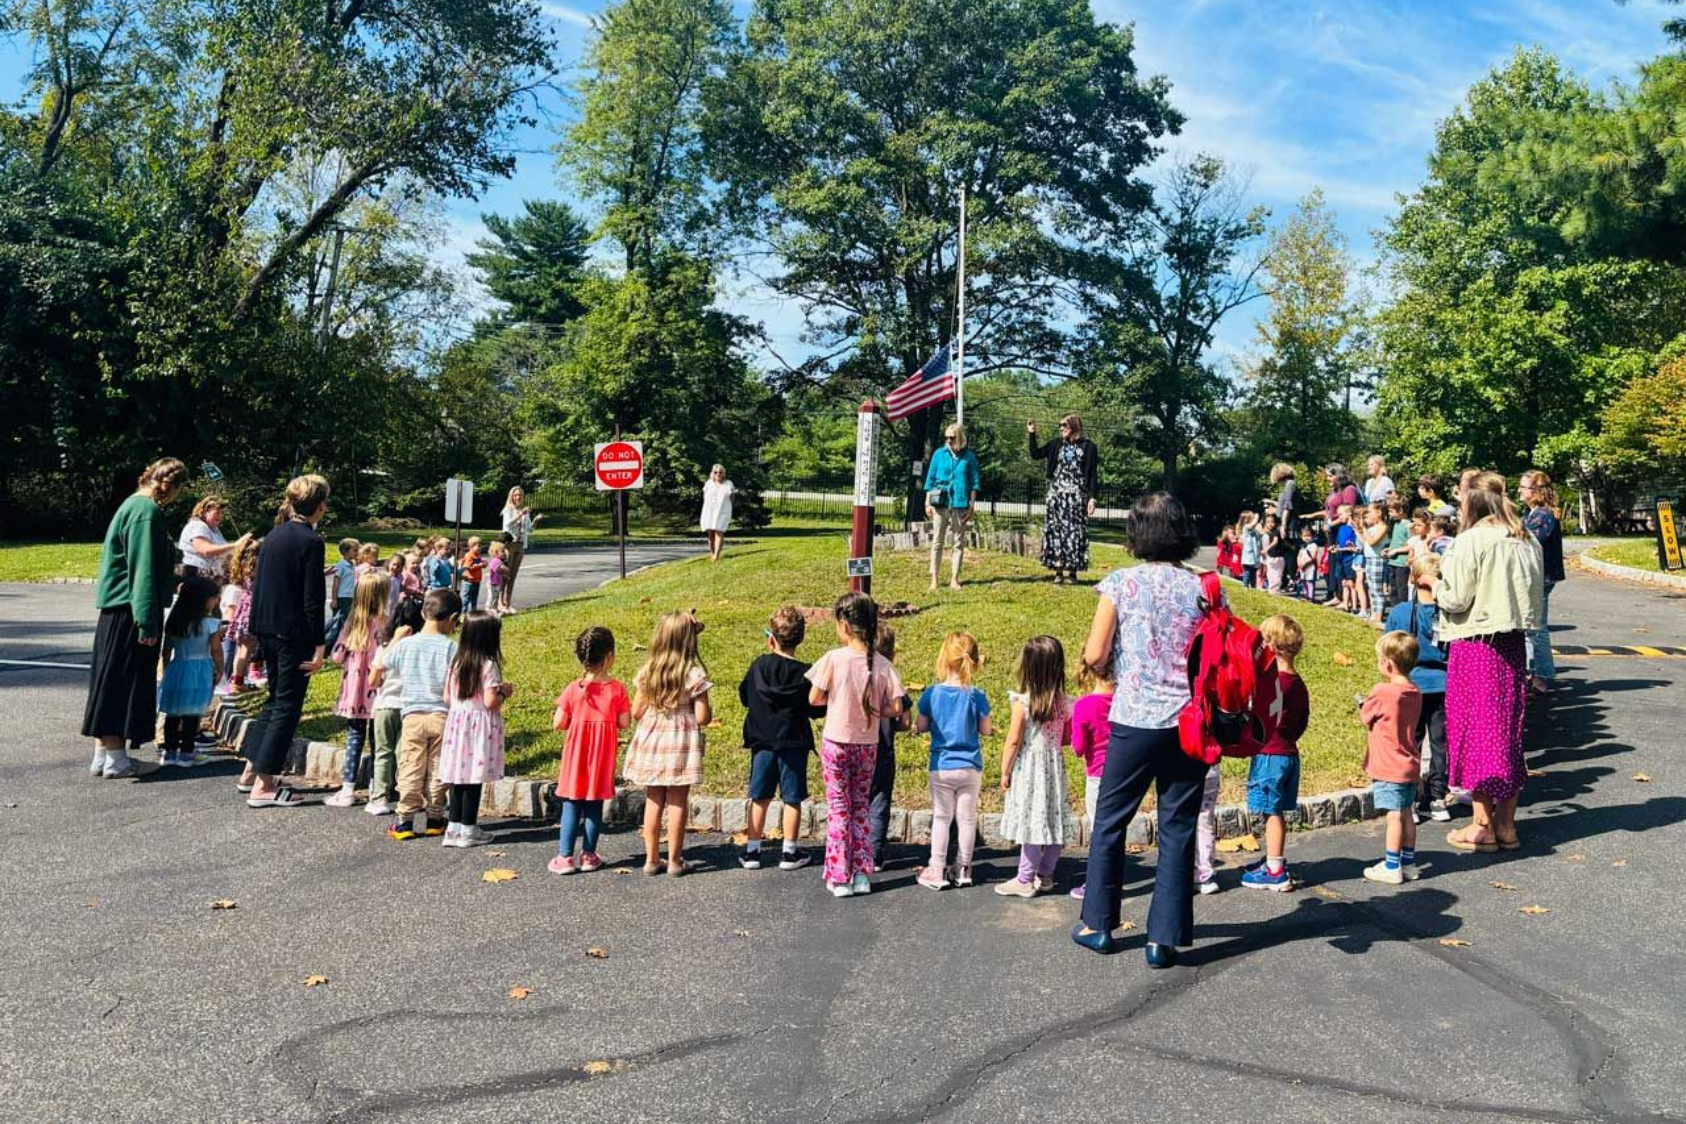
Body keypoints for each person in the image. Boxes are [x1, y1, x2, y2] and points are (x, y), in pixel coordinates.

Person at [1073, 492, 1210, 969]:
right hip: (1190, 722)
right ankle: (1163, 938)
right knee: (1177, 826)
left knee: (1111, 821)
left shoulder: (1121, 584)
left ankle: (1099, 924)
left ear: (1137, 532)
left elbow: (1093, 654)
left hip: (1133, 718)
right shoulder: (1205, 589)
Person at [1435, 472, 1543, 853]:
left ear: (1473, 502)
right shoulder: (1525, 538)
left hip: (1476, 641)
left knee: (1478, 732)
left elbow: (1456, 598)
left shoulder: (1471, 540)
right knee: (1509, 732)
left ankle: (1482, 825)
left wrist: (1435, 580)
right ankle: (1507, 825)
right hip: (1514, 641)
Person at [83, 458, 187, 779]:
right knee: (123, 683)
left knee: (109, 680)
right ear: (169, 485)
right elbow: (142, 570)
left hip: (117, 611)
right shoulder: (146, 511)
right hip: (130, 611)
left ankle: (105, 754)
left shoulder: (132, 505)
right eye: (180, 489)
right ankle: (117, 760)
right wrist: (147, 622)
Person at [240, 474, 330, 809]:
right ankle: (263, 786)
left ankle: (252, 770)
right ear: (320, 506)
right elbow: (312, 599)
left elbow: (261, 587)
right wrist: (319, 644)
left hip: (266, 626)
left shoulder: (274, 536)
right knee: (287, 708)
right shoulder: (311, 541)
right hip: (292, 632)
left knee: (274, 700)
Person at [806, 592, 905, 898]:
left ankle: (839, 875)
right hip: (868, 744)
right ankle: (862, 873)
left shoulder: (834, 659)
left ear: (845, 625)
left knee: (839, 809)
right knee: (861, 808)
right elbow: (897, 708)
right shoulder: (883, 664)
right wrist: (876, 710)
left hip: (836, 741)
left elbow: (814, 698)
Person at [625, 611, 713, 875]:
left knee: (653, 799)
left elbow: (637, 711)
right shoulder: (693, 673)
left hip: (653, 738)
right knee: (677, 800)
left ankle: (651, 859)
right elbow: (702, 717)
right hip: (681, 742)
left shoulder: (648, 671)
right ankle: (675, 860)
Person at [738, 607, 823, 872]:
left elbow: (744, 696)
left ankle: (752, 850)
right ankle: (789, 851)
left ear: (771, 639)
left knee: (759, 796)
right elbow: (815, 709)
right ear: (801, 639)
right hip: (794, 741)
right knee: (792, 798)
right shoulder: (807, 674)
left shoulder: (758, 666)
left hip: (762, 740)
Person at [378, 588, 461, 840]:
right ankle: (435, 816)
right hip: (442, 715)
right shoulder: (451, 648)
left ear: (424, 613)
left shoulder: (406, 645)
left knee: (410, 765)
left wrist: (396, 639)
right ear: (454, 618)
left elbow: (382, 663)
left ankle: (405, 820)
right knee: (438, 768)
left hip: (412, 716)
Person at [995, 636, 1071, 899]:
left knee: (1031, 821)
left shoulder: (1022, 703)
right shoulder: (1063, 703)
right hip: (1053, 767)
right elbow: (1067, 738)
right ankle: (1045, 874)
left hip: (1029, 769)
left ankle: (1025, 879)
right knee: (1053, 819)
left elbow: (1013, 740)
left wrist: (1005, 771)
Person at [915, 631, 992, 891]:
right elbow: (986, 729)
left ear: (944, 659)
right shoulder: (977, 695)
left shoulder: (932, 694)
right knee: (967, 819)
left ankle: (937, 868)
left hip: (942, 766)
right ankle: (964, 868)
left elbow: (921, 726)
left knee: (942, 818)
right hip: (970, 766)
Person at [552, 627, 631, 874]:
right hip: (602, 757)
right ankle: (589, 855)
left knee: (571, 803)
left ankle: (565, 857)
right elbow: (625, 722)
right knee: (594, 804)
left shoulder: (573, 688)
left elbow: (558, 723)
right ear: (609, 656)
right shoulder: (617, 689)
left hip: (576, 755)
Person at [1241, 615, 1309, 890]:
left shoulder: (1275, 684)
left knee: (1272, 812)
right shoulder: (1297, 682)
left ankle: (1275, 869)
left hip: (1271, 753)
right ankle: (1273, 859)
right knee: (1275, 809)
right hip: (1289, 752)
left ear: (1270, 646)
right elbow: (1302, 719)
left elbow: (1267, 717)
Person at [437, 611, 512, 848]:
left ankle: (454, 827)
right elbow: (490, 702)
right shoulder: (488, 665)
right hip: (479, 728)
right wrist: (504, 692)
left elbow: (447, 696)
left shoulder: (456, 662)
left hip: (457, 725)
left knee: (458, 779)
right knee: (473, 779)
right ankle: (469, 828)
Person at [1386, 553, 1450, 824]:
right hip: (1443, 685)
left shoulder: (1401, 612)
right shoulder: (1447, 612)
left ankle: (1410, 797)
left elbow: (1387, 643)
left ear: (1412, 578)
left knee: (1411, 742)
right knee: (1440, 742)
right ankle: (1437, 797)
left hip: (1410, 684)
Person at [1361, 631, 1424, 885]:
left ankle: (1391, 865)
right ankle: (1408, 862)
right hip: (1409, 762)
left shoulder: (1383, 690)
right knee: (1407, 811)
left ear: (1387, 663)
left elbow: (1366, 716)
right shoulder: (1414, 690)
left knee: (1394, 815)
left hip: (1389, 764)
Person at [324, 572, 390, 808]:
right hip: (379, 690)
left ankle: (348, 789)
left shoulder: (352, 624)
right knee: (378, 742)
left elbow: (336, 656)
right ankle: (376, 788)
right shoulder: (386, 624)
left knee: (354, 738)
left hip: (355, 693)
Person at [156, 573, 223, 768]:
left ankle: (169, 752)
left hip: (178, 666)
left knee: (173, 712)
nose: (217, 600)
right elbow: (216, 649)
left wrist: (166, 669)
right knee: (192, 712)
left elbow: (166, 650)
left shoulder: (174, 621)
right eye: (214, 597)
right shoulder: (211, 624)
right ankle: (186, 752)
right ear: (204, 600)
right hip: (200, 668)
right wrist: (220, 669)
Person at [365, 595, 424, 817]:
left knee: (383, 753)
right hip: (410, 706)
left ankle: (379, 797)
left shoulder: (386, 646)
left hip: (385, 704)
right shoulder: (419, 648)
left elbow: (373, 681)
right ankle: (409, 795)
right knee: (405, 754)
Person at [1027, 414, 1100, 584]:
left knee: (1074, 533)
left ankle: (1072, 572)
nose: (1061, 428)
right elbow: (1036, 454)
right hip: (1057, 496)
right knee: (1057, 533)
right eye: (1060, 425)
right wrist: (1032, 433)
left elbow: (1092, 475)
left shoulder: (1089, 447)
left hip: (1076, 498)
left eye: (1064, 425)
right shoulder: (1056, 444)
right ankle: (1058, 571)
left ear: (1074, 427)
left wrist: (1092, 498)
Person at [1067, 653, 1114, 901]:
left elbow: (1077, 747)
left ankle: (1096, 883)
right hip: (1123, 774)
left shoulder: (1083, 706)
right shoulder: (1124, 702)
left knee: (1099, 830)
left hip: (1097, 774)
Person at [868, 625, 912, 870]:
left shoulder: (862, 675)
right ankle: (875, 854)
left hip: (859, 746)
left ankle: (856, 847)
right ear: (892, 653)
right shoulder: (893, 678)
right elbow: (906, 721)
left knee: (859, 800)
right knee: (879, 802)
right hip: (884, 750)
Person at [1519, 470, 1566, 696]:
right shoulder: (1532, 513)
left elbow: (1529, 541)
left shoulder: (1543, 516)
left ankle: (1542, 675)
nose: (1519, 490)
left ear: (1536, 491)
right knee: (1535, 625)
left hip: (1543, 576)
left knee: (1537, 627)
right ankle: (1538, 673)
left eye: (1524, 487)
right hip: (1540, 575)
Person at [923, 423, 981, 591]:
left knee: (958, 543)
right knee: (937, 541)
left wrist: (971, 506)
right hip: (940, 503)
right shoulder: (939, 455)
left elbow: (974, 482)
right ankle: (934, 577)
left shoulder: (969, 457)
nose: (948, 440)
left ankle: (954, 578)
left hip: (960, 503)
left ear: (960, 438)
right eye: (947, 437)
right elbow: (930, 479)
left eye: (952, 437)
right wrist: (927, 502)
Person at [219, 537, 261, 694]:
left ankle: (239, 680)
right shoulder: (256, 569)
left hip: (244, 612)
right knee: (245, 650)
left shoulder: (243, 568)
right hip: (251, 612)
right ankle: (237, 681)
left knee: (245, 649)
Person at [177, 495, 250, 582]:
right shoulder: (198, 525)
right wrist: (235, 545)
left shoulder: (214, 529)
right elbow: (205, 550)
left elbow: (223, 552)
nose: (220, 516)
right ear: (205, 512)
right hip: (199, 575)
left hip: (212, 576)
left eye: (222, 513)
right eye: (217, 512)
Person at [499, 487, 542, 612]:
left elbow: (530, 530)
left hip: (520, 545)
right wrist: (520, 514)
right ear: (511, 496)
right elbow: (507, 524)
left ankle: (508, 603)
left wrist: (535, 520)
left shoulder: (525, 511)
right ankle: (500, 603)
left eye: (520, 495)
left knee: (513, 576)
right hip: (510, 544)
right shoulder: (508, 510)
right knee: (505, 575)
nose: (518, 497)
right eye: (516, 495)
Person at [323, 537, 359, 651]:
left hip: (350, 597)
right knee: (338, 623)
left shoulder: (352, 565)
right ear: (345, 551)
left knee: (347, 622)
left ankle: (342, 644)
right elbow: (335, 584)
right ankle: (330, 645)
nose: (357, 553)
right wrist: (334, 599)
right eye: (355, 550)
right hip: (342, 597)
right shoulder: (341, 565)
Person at [1360, 502, 1390, 624]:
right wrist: (1359, 529)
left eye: (1370, 511)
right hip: (1369, 558)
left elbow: (1373, 542)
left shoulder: (1383, 527)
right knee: (1371, 588)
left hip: (1377, 559)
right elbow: (1365, 542)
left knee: (1377, 589)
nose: (1368, 514)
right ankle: (1373, 613)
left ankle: (1379, 615)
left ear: (1379, 513)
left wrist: (1364, 529)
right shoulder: (1372, 528)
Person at [700, 465, 735, 563]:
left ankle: (716, 555)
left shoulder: (729, 484)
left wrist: (728, 507)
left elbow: (732, 498)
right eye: (716, 472)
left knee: (719, 531)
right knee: (710, 534)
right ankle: (712, 552)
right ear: (713, 473)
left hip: (723, 511)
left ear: (723, 473)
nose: (718, 474)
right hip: (709, 511)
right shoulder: (709, 483)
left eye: (720, 472)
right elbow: (705, 497)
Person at [1271, 463, 1299, 539]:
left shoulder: (1290, 484)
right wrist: (1272, 503)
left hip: (1289, 523)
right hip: (1286, 522)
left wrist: (1283, 525)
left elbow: (1287, 506)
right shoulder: (1288, 485)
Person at [1238, 510, 1263, 589]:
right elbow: (1252, 524)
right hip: (1248, 556)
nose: (1254, 519)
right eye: (1252, 518)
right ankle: (1245, 586)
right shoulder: (1246, 528)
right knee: (1247, 572)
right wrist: (1257, 516)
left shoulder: (1254, 530)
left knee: (1253, 573)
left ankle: (1253, 587)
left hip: (1254, 556)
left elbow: (1261, 534)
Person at [460, 536, 485, 612]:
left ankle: (473, 612)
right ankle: (463, 613)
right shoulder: (469, 555)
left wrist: (484, 563)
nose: (480, 548)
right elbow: (468, 567)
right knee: (466, 599)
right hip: (469, 581)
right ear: (471, 546)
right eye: (478, 546)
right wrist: (480, 565)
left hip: (476, 580)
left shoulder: (477, 555)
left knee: (474, 599)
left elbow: (478, 563)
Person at [486, 539, 508, 616]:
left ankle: (494, 609)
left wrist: (504, 575)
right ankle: (488, 609)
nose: (504, 553)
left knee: (496, 597)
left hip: (497, 583)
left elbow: (499, 571)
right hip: (493, 583)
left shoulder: (498, 561)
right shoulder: (496, 561)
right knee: (491, 597)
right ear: (496, 552)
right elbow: (502, 569)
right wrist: (506, 570)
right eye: (502, 551)